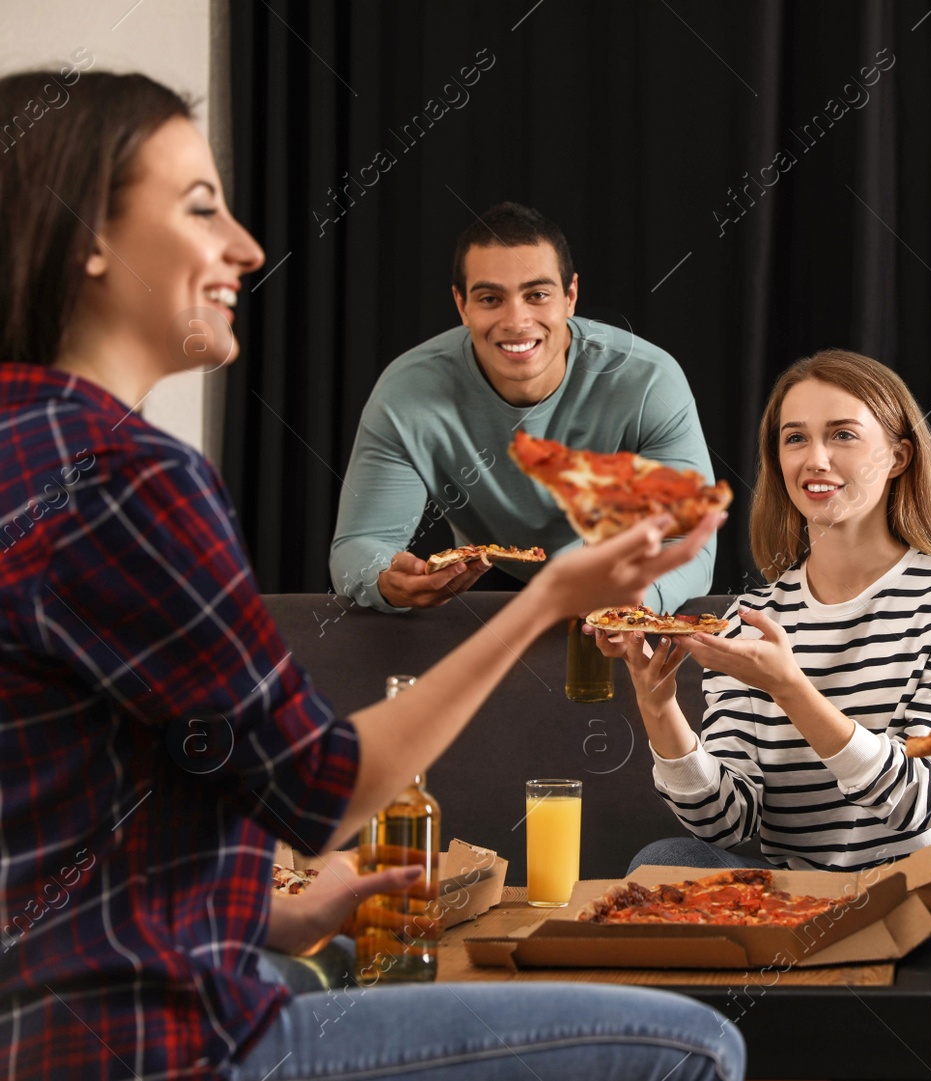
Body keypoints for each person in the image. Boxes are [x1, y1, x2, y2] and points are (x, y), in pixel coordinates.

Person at [0, 70, 742, 1081]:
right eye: (200, 204)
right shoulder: (135, 477)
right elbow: (319, 791)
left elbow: (68, 809)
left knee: (336, 964)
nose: (248, 248)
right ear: (87, 237)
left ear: (571, 300)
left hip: (56, 1018)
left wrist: (273, 907)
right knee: (694, 1044)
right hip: (167, 1041)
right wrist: (544, 605)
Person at [594, 350, 931, 1033]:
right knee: (662, 865)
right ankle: (780, 987)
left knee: (873, 969)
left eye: (843, 434)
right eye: (795, 438)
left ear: (901, 456)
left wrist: (793, 690)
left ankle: (762, 994)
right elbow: (730, 823)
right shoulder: (749, 616)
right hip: (810, 905)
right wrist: (660, 710)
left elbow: (918, 801)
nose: (813, 458)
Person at [328, 201, 717, 615]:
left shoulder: (648, 382)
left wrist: (642, 597)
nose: (516, 320)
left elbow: (690, 543)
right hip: (482, 590)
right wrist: (384, 581)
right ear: (462, 306)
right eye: (491, 299)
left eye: (537, 295)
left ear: (570, 297)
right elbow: (359, 544)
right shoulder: (407, 391)